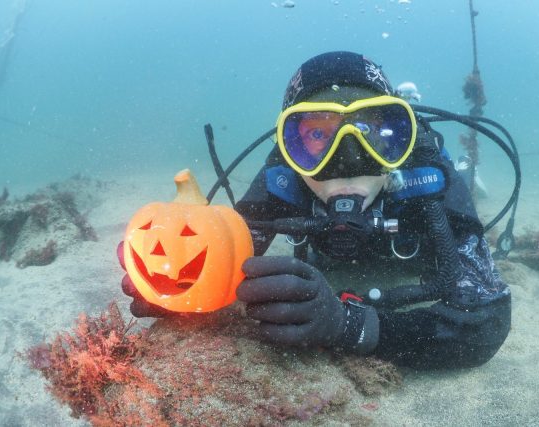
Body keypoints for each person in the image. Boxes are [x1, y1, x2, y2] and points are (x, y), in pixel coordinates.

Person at [121, 51, 511, 369]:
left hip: (415, 237)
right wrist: (173, 282)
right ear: (290, 147)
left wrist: (349, 326)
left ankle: (468, 171)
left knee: (460, 181)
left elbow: (485, 324)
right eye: (318, 134)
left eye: (371, 131)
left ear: (400, 137)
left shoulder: (426, 178)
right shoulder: (283, 175)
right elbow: (217, 257)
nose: (348, 159)